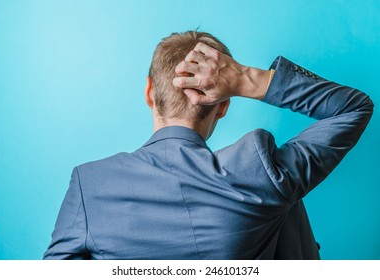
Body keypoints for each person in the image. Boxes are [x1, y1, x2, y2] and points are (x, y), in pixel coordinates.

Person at [43, 31, 373, 260]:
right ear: (224, 105)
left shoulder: (90, 184)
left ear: (148, 92)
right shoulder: (262, 173)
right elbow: (354, 107)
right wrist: (246, 79)